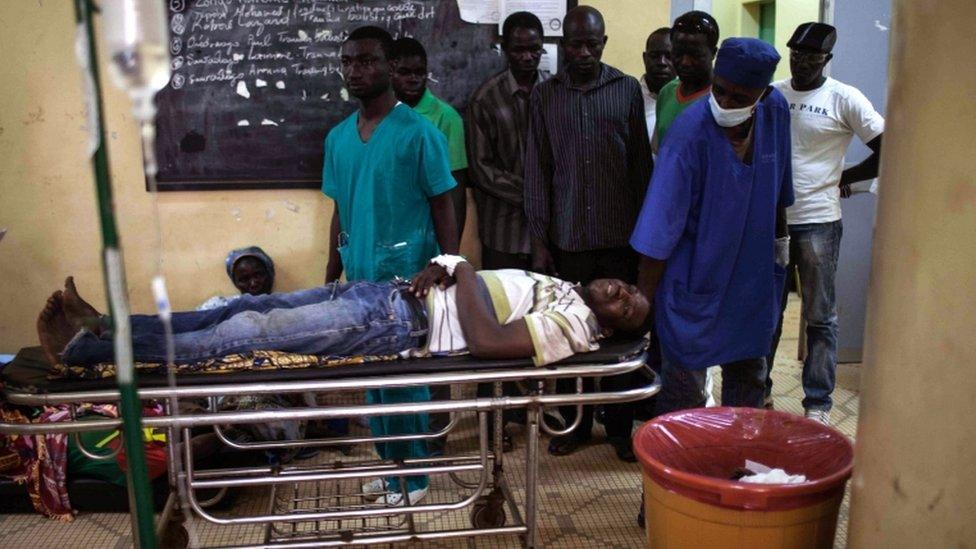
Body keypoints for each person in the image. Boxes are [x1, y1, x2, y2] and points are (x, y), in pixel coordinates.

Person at [321, 26, 459, 506]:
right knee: (373, 381)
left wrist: (445, 262)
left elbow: (444, 202)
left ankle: (415, 480)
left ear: (387, 67)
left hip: (406, 279)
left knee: (404, 382)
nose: (355, 70)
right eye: (348, 62)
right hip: (360, 276)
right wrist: (329, 275)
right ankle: (391, 467)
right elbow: (340, 208)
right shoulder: (339, 137)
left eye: (366, 61)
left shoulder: (418, 133)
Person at [631, 37, 794, 416]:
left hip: (750, 280)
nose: (725, 103)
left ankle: (739, 466)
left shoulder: (775, 113)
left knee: (749, 382)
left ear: (762, 93)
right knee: (683, 393)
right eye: (719, 91)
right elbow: (658, 229)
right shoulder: (689, 135)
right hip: (694, 282)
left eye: (740, 98)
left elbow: (781, 189)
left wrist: (781, 254)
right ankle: (681, 470)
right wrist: (644, 299)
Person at [524, 6, 653, 461]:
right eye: (574, 44)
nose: (583, 52)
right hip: (568, 241)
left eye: (591, 44)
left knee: (621, 339)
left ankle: (618, 428)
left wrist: (646, 244)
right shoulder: (545, 96)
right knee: (566, 336)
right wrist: (539, 241)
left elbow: (641, 167)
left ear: (603, 42)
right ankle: (572, 427)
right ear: (563, 45)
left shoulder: (625, 91)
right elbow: (537, 171)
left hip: (620, 239)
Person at [766, 23, 885, 424]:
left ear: (827, 60)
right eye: (795, 54)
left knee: (819, 316)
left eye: (811, 56)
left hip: (819, 221)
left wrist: (843, 179)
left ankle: (817, 403)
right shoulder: (774, 93)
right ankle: (760, 391)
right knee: (768, 312)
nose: (801, 62)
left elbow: (887, 147)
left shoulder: (843, 98)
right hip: (774, 221)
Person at [466, 11, 553, 450]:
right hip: (504, 233)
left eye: (534, 48)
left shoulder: (555, 92)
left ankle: (537, 412)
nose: (527, 56)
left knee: (543, 324)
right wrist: (538, 192)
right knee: (499, 327)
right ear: (503, 47)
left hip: (552, 233)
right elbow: (482, 172)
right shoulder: (486, 99)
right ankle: (494, 419)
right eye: (518, 48)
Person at [389, 37, 470, 242]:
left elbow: (456, 192)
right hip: (386, 230)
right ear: (390, 72)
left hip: (427, 233)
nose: (413, 79)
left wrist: (450, 256)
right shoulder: (376, 116)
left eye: (420, 72)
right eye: (404, 72)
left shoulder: (447, 118)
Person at [653, 11, 719, 150]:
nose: (685, 62)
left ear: (713, 53)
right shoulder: (667, 93)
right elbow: (659, 151)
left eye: (695, 55)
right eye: (678, 53)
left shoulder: (722, 100)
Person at [197, 246, 275, 310]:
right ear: (235, 283)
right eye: (244, 279)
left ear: (269, 273)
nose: (253, 284)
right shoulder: (219, 306)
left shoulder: (284, 303)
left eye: (258, 275)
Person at [641, 27, 675, 144]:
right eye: (655, 56)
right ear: (645, 58)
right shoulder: (628, 97)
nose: (662, 62)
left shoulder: (687, 102)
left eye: (669, 57)